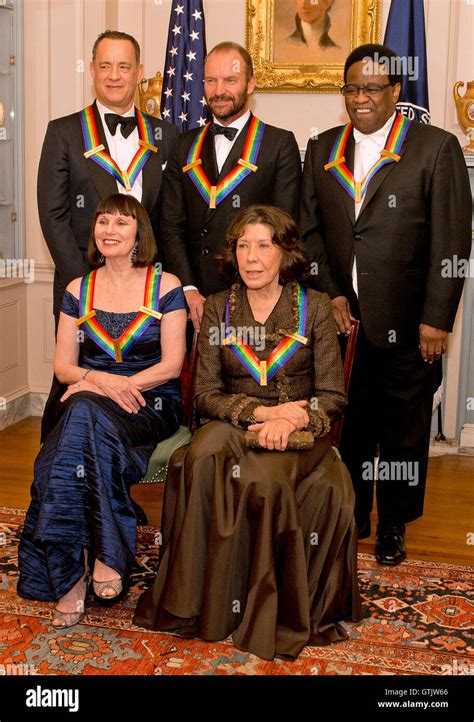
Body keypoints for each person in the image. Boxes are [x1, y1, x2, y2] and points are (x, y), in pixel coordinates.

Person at [133, 205, 362, 661]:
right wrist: (260, 414)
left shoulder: (314, 306)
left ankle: (260, 611)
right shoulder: (218, 308)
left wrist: (296, 417)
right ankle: (196, 603)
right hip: (238, 421)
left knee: (262, 479)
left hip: (300, 431)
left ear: (285, 252)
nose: (251, 257)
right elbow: (204, 395)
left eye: (263, 245)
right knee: (198, 456)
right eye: (243, 246)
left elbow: (333, 395)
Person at [300, 44, 472, 565]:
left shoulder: (435, 148)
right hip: (343, 322)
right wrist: (329, 293)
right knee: (350, 424)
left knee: (404, 429)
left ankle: (394, 523)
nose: (360, 98)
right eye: (352, 88)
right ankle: (353, 515)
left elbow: (452, 242)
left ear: (396, 91)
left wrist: (436, 319)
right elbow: (308, 234)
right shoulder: (322, 148)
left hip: (410, 322)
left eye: (372, 88)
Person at [17, 194, 187, 629]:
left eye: (121, 223)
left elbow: (172, 364)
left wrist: (115, 385)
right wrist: (101, 382)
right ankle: (98, 562)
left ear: (138, 235)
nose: (109, 230)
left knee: (75, 420)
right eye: (103, 221)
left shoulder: (165, 286)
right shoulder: (77, 289)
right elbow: (63, 365)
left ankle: (73, 575)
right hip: (97, 400)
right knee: (83, 417)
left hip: (151, 401)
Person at [38, 29, 178, 443]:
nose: (114, 75)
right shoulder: (63, 131)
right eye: (104, 65)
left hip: (147, 293)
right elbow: (53, 214)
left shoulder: (165, 135)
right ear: (92, 71)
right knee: (70, 393)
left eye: (123, 66)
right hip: (85, 288)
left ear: (139, 73)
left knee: (140, 390)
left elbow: (167, 217)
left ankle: (118, 469)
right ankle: (57, 480)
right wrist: (89, 285)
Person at [159, 41, 302, 332]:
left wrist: (249, 296)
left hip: (253, 299)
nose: (219, 90)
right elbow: (170, 224)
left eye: (230, 80)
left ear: (251, 83)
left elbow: (282, 230)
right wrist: (187, 288)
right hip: (192, 300)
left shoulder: (278, 144)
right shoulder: (183, 144)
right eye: (211, 80)